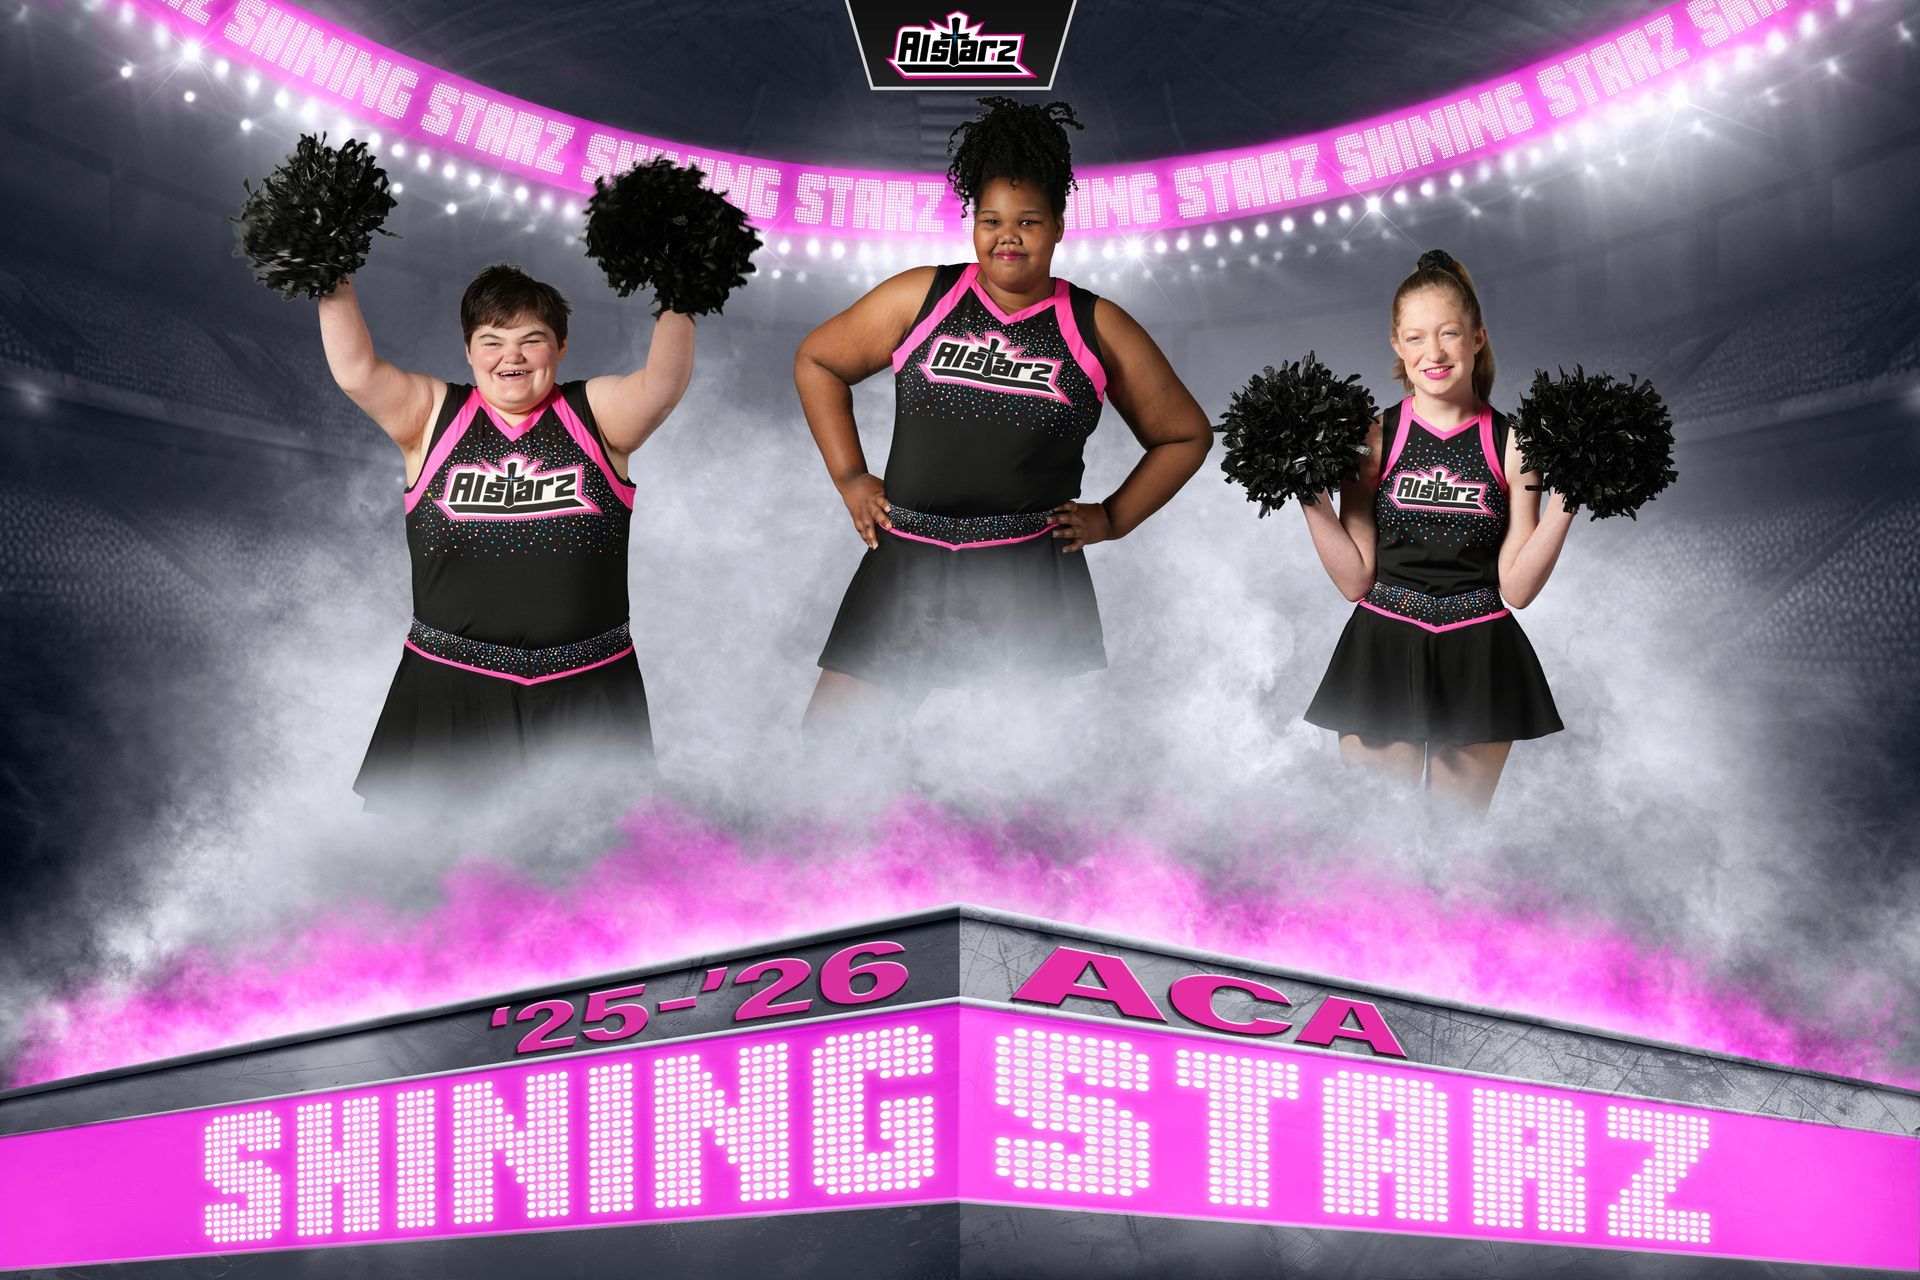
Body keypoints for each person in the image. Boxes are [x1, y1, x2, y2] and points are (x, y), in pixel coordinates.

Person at [795, 98, 1211, 735]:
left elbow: (1184, 434)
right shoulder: (923, 295)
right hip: (907, 558)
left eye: (1028, 221)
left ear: (1060, 225)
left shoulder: (1097, 325)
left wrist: (1113, 518)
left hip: (1026, 572)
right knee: (832, 743)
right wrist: (851, 477)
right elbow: (819, 361)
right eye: (990, 219)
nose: (1007, 236)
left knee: (1018, 778)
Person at [317, 265, 693, 805]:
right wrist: (331, 270)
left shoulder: (594, 414)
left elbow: (662, 385)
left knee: (591, 875)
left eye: (530, 340)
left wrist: (683, 287)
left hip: (587, 694)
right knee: (429, 874)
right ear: (469, 352)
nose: (509, 357)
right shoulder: (430, 415)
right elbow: (356, 372)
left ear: (561, 345)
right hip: (450, 692)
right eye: (491, 341)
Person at [1300, 251, 1572, 811]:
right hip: (1383, 644)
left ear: (1477, 337)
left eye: (1449, 333)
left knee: (1455, 851)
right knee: (1379, 841)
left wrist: (1571, 499)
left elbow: (1516, 589)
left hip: (1480, 652)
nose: (1434, 352)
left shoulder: (1514, 444)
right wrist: (1307, 495)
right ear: (1397, 346)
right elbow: (1356, 579)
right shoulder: (1372, 438)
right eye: (1416, 337)